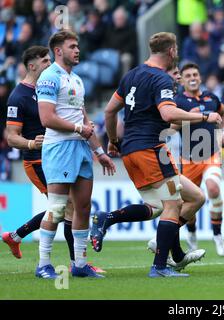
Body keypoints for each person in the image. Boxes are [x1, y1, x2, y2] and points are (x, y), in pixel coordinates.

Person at [101, 32, 222, 278]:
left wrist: (113, 141)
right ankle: (159, 264)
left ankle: (111, 220)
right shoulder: (160, 79)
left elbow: (109, 111)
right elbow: (168, 115)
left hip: (130, 152)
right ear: (171, 51)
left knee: (179, 200)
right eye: (176, 50)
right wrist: (203, 116)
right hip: (150, 150)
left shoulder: (131, 75)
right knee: (173, 204)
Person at [2, 45, 104, 273]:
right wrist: (30, 143)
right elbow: (11, 137)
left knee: (69, 208)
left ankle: (74, 262)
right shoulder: (19, 96)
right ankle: (67, 262)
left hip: (63, 153)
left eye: (50, 60)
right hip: (37, 159)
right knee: (63, 207)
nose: (49, 64)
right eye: (45, 61)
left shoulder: (54, 86)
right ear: (32, 66)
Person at [34, 30, 115, 279]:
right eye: (72, 46)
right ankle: (43, 264)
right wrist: (79, 128)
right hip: (59, 148)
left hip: (80, 148)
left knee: (82, 206)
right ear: (58, 51)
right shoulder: (49, 77)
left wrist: (99, 151)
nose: (77, 50)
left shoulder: (77, 80)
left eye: (78, 46)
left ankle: (79, 264)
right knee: (57, 209)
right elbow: (47, 118)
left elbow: (83, 118)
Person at [171, 62, 224, 256]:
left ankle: (218, 235)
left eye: (195, 74)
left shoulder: (210, 97)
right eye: (187, 76)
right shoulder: (178, 101)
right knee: (191, 204)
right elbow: (170, 126)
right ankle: (192, 233)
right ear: (182, 80)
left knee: (213, 188)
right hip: (188, 160)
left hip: (211, 154)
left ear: (200, 77)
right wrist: (189, 117)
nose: (192, 78)